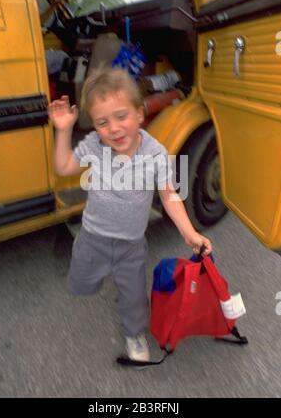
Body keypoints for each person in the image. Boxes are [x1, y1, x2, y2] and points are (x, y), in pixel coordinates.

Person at [48, 67, 212, 362]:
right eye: (102, 122)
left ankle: (134, 333)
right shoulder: (95, 147)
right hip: (92, 235)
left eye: (121, 116)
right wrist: (63, 130)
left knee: (134, 296)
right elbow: (63, 168)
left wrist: (189, 232)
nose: (113, 128)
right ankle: (85, 262)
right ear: (95, 127)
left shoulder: (155, 153)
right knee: (82, 283)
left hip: (131, 244)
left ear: (140, 113)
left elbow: (169, 194)